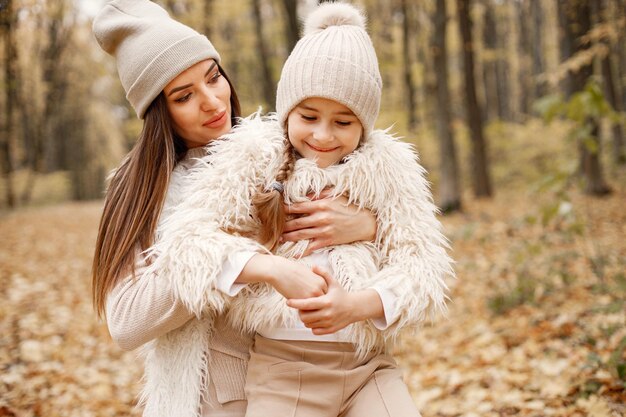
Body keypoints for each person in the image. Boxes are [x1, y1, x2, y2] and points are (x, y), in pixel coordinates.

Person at [149, 3, 453, 417]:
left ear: (365, 124)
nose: (323, 136)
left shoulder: (389, 171)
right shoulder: (253, 157)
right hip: (284, 371)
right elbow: (188, 243)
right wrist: (273, 268)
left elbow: (425, 267)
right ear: (287, 109)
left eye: (343, 123)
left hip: (368, 368)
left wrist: (359, 303)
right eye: (309, 116)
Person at [90, 1, 378, 417]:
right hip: (213, 401)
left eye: (213, 77)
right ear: (158, 111)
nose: (212, 101)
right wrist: (246, 252)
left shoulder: (278, 147)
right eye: (184, 95)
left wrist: (366, 225)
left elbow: (386, 212)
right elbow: (127, 320)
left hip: (321, 380)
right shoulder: (142, 191)